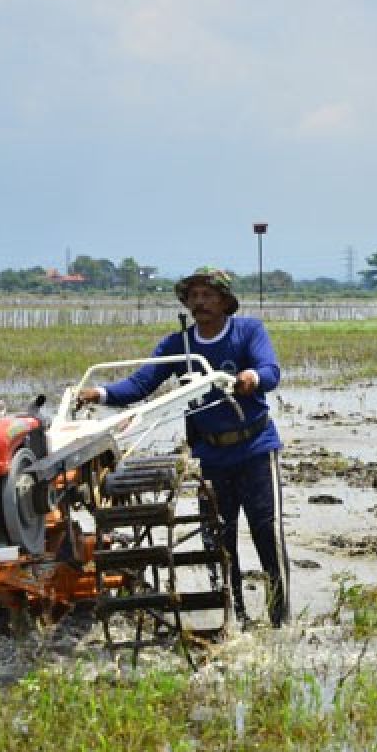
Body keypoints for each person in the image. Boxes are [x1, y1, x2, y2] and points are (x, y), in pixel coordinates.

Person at [77, 267, 289, 628]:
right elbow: (140, 384)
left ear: (224, 300)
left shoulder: (247, 331)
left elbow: (270, 370)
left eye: (208, 295)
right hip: (211, 455)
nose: (200, 302)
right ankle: (232, 617)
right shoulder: (180, 346)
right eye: (194, 296)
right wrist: (99, 394)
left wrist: (252, 377)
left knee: (265, 532)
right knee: (217, 541)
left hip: (254, 448)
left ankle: (280, 619)